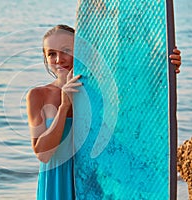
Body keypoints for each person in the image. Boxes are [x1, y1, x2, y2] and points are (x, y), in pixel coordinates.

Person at [26, 24, 182, 200]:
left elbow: (142, 100)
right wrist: (64, 106)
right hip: (56, 183)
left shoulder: (99, 91)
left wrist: (167, 69)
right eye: (51, 54)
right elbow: (43, 154)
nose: (58, 59)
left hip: (91, 182)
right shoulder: (38, 96)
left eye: (66, 50)